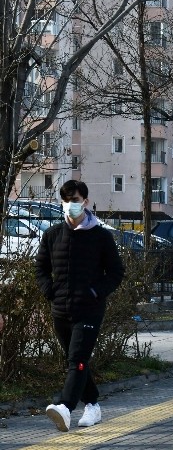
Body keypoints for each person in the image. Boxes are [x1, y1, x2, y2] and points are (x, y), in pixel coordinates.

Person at [35, 180, 125, 431]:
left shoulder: (101, 236)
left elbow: (116, 272)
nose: (70, 205)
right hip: (60, 310)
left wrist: (96, 292)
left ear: (85, 201)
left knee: (77, 359)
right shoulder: (52, 235)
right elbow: (40, 268)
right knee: (76, 360)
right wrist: (50, 291)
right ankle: (93, 404)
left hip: (89, 309)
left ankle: (65, 407)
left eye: (74, 200)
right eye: (65, 200)